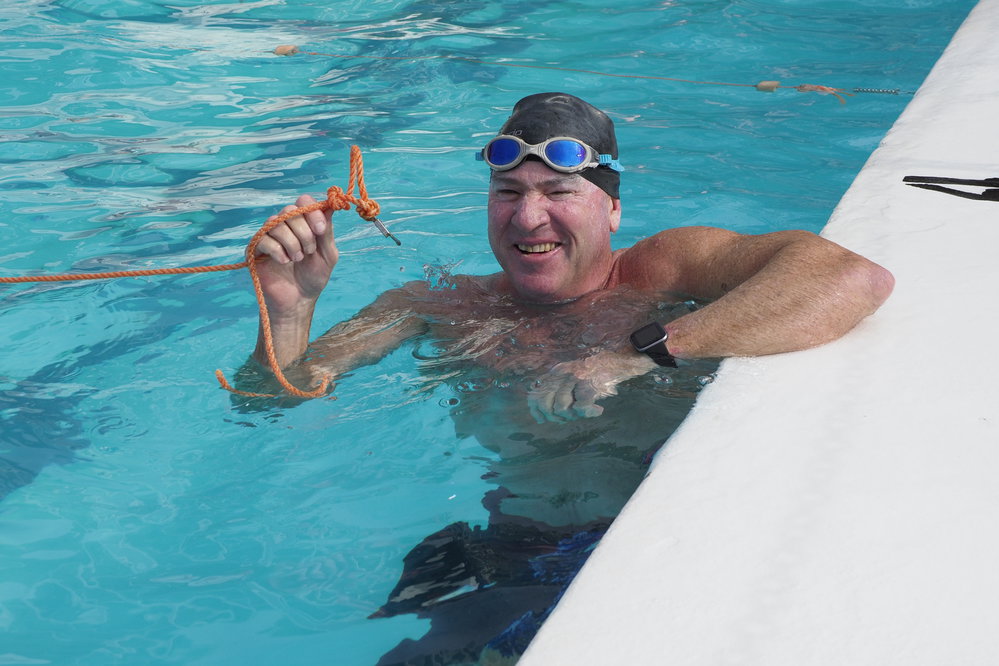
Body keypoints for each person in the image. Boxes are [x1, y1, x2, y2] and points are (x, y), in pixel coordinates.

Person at [241, 92, 894, 664]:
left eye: (557, 193)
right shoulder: (431, 307)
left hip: (660, 543)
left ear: (611, 210)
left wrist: (636, 355)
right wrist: (287, 313)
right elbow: (270, 402)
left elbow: (845, 277)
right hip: (511, 554)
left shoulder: (660, 272)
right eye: (507, 194)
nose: (528, 218)